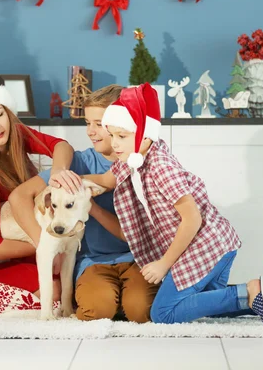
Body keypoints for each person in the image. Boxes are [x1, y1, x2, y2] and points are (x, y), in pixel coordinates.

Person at [83, 83, 263, 325]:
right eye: (112, 135)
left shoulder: (161, 168)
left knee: (163, 313)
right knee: (207, 303)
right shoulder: (133, 156)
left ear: (145, 134)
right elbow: (106, 180)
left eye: (121, 136)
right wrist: (72, 182)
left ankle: (250, 290)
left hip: (204, 245)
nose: (114, 143)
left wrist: (163, 263)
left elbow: (193, 219)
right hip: (219, 243)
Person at [9, 85, 159, 323]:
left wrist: (91, 205)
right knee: (95, 312)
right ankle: (111, 299)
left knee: (141, 312)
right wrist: (44, 243)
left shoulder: (142, 162)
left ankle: (128, 299)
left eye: (99, 124)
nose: (91, 131)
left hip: (138, 258)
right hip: (94, 262)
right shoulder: (78, 163)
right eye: (87, 123)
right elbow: (18, 197)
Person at [0, 72, 80, 301]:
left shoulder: (17, 135)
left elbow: (61, 145)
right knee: (54, 291)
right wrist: (48, 245)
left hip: (30, 240)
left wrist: (57, 170)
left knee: (73, 277)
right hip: (1, 256)